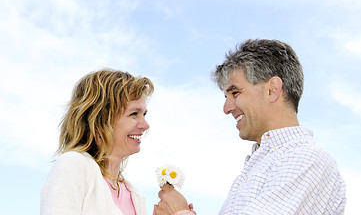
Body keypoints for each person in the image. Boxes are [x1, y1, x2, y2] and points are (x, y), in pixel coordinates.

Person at [154, 39, 346, 215]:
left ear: (272, 90)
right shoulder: (266, 162)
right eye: (226, 97)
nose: (226, 108)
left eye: (235, 93)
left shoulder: (303, 158)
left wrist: (179, 212)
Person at [41, 69, 154, 215]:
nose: (145, 125)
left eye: (144, 114)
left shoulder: (134, 195)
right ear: (100, 120)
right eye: (134, 114)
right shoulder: (73, 165)